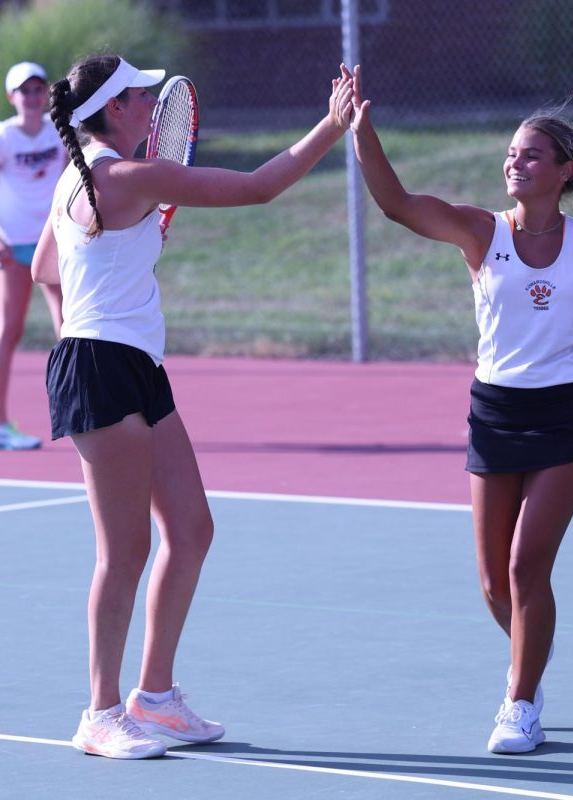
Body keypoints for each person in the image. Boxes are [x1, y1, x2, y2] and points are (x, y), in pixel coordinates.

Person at [344, 65, 573, 754]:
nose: (515, 161)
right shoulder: (480, 233)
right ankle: (530, 668)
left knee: (524, 568)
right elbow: (394, 202)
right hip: (495, 413)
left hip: (568, 417)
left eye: (530, 154)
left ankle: (518, 704)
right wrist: (361, 132)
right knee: (492, 582)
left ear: (564, 170)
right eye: (510, 152)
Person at [32, 54, 355, 760]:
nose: (153, 106)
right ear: (115, 110)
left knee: (191, 527)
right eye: (143, 97)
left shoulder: (81, 179)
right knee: (124, 553)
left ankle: (155, 697)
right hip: (103, 368)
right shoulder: (129, 177)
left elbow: (45, 269)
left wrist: (92, 308)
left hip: (130, 364)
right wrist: (333, 126)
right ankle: (99, 713)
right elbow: (260, 188)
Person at [0, 61, 66, 451]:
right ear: (12, 98)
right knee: (9, 330)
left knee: (69, 327)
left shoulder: (59, 133)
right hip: (13, 246)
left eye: (38, 89)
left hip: (52, 241)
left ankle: (84, 414)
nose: (32, 97)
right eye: (24, 91)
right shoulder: (4, 138)